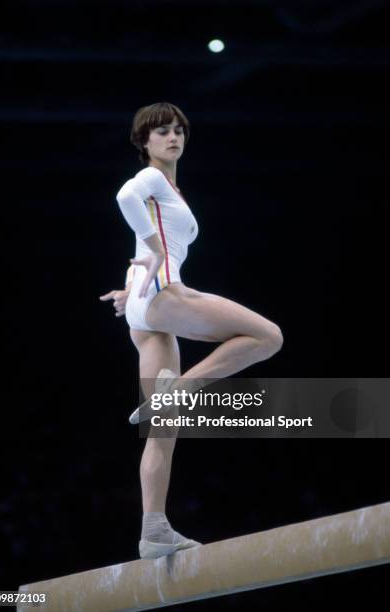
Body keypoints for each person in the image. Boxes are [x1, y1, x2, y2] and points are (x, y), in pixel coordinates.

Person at [99, 101, 283, 559]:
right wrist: (157, 252)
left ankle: (153, 529)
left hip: (144, 305)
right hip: (162, 293)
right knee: (268, 337)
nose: (172, 137)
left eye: (178, 130)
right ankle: (180, 390)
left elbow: (141, 233)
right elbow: (124, 197)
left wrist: (132, 290)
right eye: (161, 132)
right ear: (144, 142)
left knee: (164, 427)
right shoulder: (153, 179)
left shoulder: (171, 189)